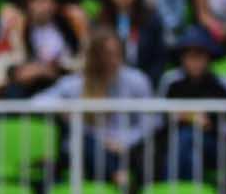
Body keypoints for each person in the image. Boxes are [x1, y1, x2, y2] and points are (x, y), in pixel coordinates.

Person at [36, 26, 159, 183]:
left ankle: (115, 173)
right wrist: (63, 108)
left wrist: (124, 141)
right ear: (94, 57)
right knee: (79, 141)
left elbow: (152, 121)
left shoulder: (137, 80)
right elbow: (38, 102)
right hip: (85, 150)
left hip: (124, 150)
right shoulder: (76, 83)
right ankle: (116, 175)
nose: (113, 60)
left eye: (117, 54)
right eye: (106, 55)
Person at [158, 25, 226, 182]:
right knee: (188, 145)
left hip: (214, 146)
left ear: (208, 57)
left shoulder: (222, 84)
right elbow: (162, 118)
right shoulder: (171, 81)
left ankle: (169, 186)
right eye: (189, 56)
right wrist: (194, 118)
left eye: (199, 55)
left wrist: (193, 118)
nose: (194, 61)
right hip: (175, 142)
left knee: (188, 136)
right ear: (182, 58)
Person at [0, 0, 85, 97]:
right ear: (29, 3)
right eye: (41, 1)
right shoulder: (16, 26)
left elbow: (80, 59)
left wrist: (54, 69)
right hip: (27, 84)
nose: (47, 7)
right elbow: (3, 61)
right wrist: (18, 71)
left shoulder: (68, 26)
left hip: (60, 81)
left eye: (51, 1)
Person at [100, 0, 166, 86]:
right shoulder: (101, 21)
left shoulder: (151, 19)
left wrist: (148, 83)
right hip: (107, 83)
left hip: (143, 82)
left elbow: (159, 58)